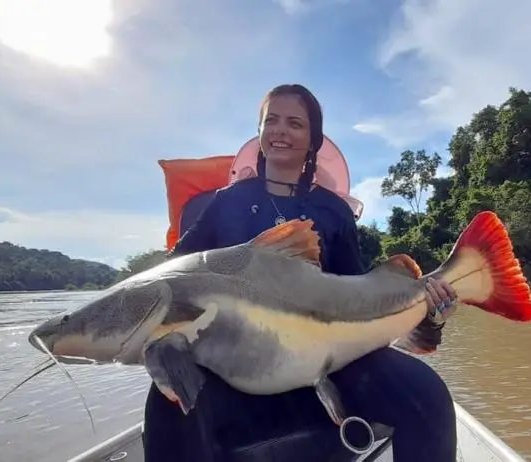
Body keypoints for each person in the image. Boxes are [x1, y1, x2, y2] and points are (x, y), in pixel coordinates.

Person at [142, 83, 460, 462]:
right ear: (259, 130)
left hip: (324, 366)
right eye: (271, 120)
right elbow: (171, 274)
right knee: (167, 399)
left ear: (313, 140)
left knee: (426, 395)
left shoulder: (334, 211)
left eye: (295, 124)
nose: (281, 130)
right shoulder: (226, 202)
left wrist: (429, 317)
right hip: (229, 368)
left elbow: (358, 297)